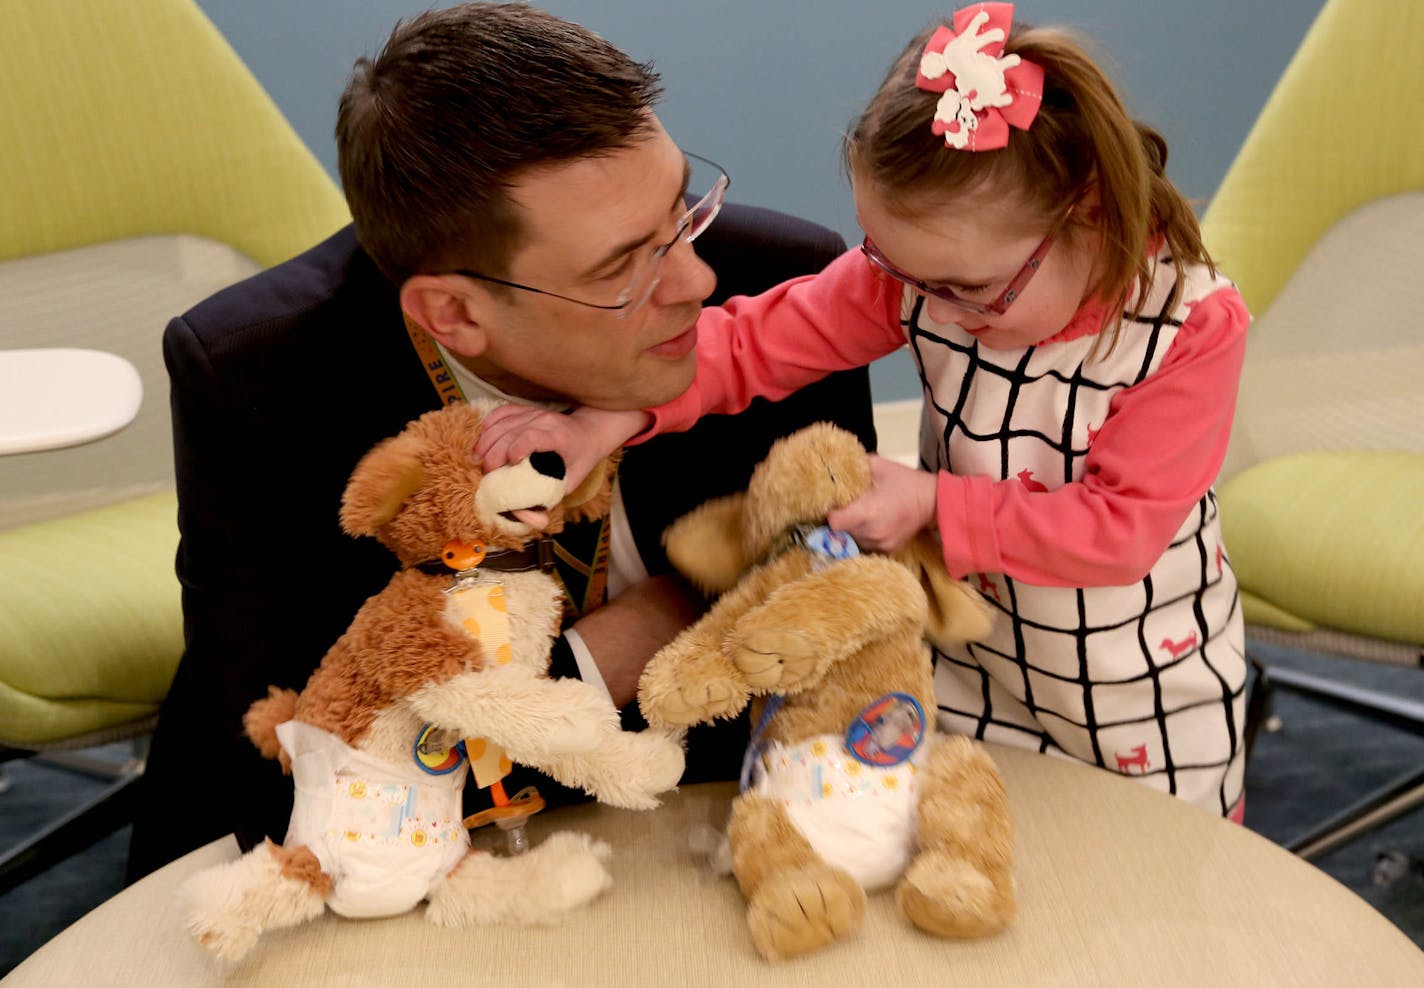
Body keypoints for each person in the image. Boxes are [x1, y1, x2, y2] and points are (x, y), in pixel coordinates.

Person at [125, 2, 875, 882]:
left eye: (683, 209)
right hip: (381, 868)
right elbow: (303, 756)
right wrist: (634, 636)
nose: (697, 280)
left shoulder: (784, 292)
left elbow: (837, 618)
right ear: (454, 314)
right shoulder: (260, 374)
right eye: (621, 267)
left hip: (702, 829)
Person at [476, 3, 1251, 819]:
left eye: (970, 292)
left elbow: (1119, 531)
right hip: (973, 653)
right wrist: (605, 422)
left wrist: (931, 502)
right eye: (895, 267)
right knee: (978, 844)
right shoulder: (926, 278)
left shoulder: (1187, 328)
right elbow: (752, 343)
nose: (932, 311)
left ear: (1087, 216)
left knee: (1154, 892)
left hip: (1138, 686)